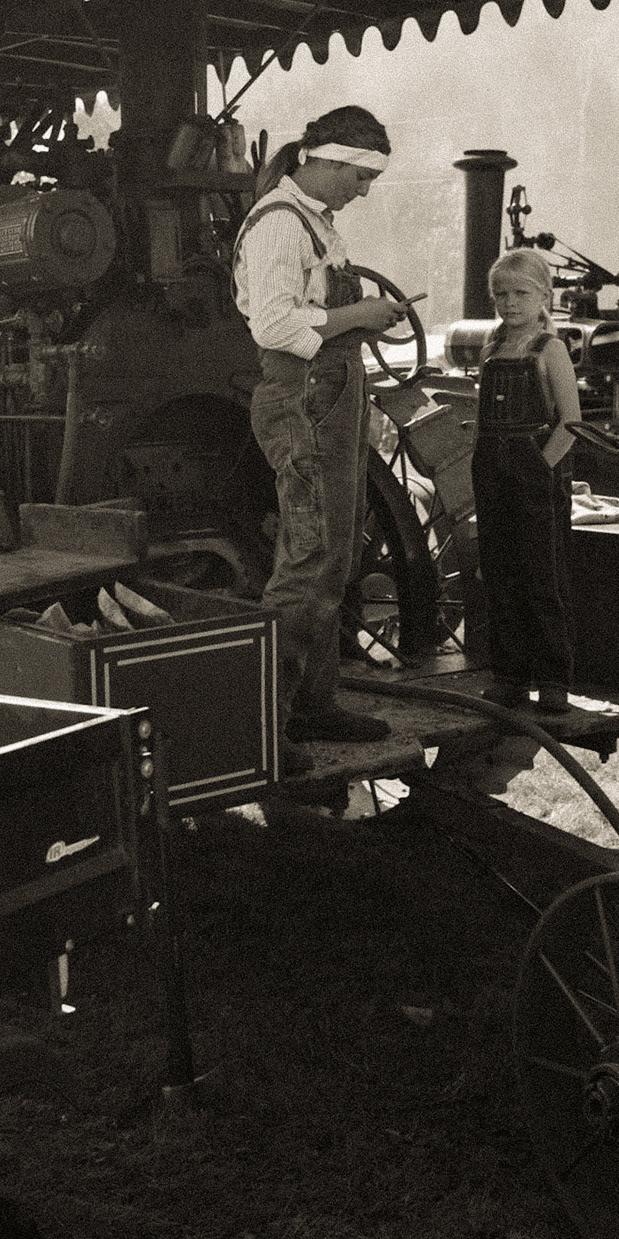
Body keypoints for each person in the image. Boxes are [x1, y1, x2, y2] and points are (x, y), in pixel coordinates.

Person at [232, 105, 407, 769]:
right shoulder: (279, 224)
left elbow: (308, 317)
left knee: (334, 553)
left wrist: (359, 323)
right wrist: (358, 312)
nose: (363, 190)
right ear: (327, 160)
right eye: (359, 176)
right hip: (301, 400)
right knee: (306, 557)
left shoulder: (315, 223)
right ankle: (264, 726)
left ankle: (314, 703)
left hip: (329, 395)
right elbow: (275, 328)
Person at [472, 247, 581, 714]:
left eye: (521, 293)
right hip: (490, 469)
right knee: (500, 574)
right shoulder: (492, 347)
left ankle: (554, 678)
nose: (510, 302)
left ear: (543, 296)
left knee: (542, 576)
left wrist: (542, 469)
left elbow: (571, 423)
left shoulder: (550, 349)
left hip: (534, 471)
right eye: (501, 294)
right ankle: (509, 675)